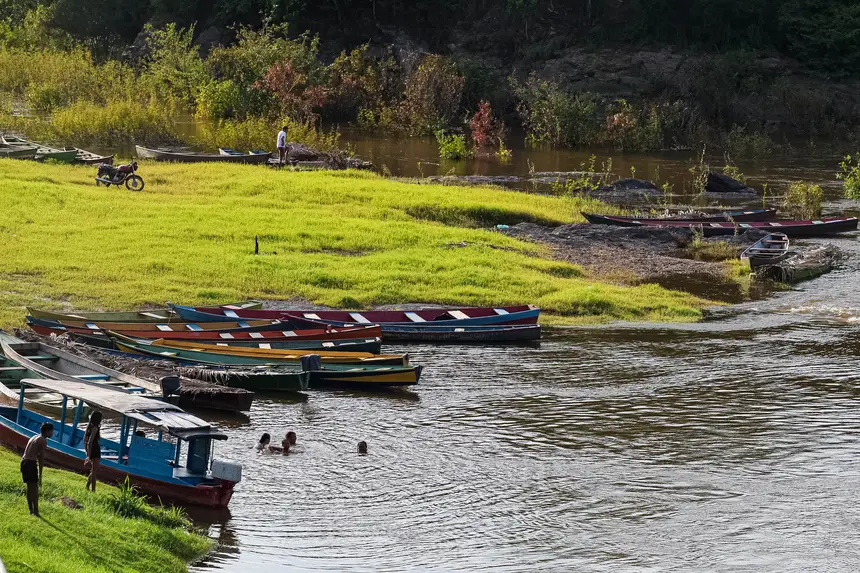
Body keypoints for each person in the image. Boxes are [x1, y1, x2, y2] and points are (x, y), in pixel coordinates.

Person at [21, 422, 54, 517]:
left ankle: (31, 510)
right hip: (30, 464)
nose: (52, 433)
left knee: (29, 487)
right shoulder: (43, 440)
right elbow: (41, 458)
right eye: (52, 431)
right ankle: (36, 512)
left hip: (24, 462)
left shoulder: (34, 437)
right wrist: (40, 474)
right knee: (34, 489)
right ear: (47, 431)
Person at [84, 410, 102, 492]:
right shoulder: (95, 428)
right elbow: (90, 442)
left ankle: (88, 485)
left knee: (94, 469)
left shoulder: (89, 426)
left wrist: (87, 452)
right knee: (95, 470)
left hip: (91, 449)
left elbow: (85, 440)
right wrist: (88, 455)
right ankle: (93, 489)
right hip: (95, 449)